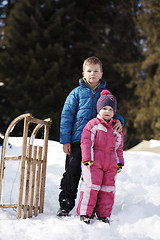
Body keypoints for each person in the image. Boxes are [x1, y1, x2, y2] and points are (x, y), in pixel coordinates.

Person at [57, 56, 124, 217]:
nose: (92, 74)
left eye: (96, 71)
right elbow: (67, 116)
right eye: (89, 71)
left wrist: (120, 121)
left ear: (101, 74)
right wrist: (66, 140)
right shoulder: (76, 93)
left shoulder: (106, 94)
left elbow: (113, 113)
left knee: (93, 174)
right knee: (72, 171)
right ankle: (66, 202)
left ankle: (91, 205)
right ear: (83, 74)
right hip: (78, 140)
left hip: (99, 143)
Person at [77, 90, 124, 224]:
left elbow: (118, 148)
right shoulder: (93, 124)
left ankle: (104, 214)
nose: (107, 111)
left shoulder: (116, 128)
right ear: (99, 109)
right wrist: (87, 158)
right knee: (91, 187)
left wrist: (119, 162)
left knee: (108, 189)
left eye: (110, 109)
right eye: (104, 108)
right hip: (93, 162)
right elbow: (86, 142)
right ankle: (86, 213)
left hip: (110, 164)